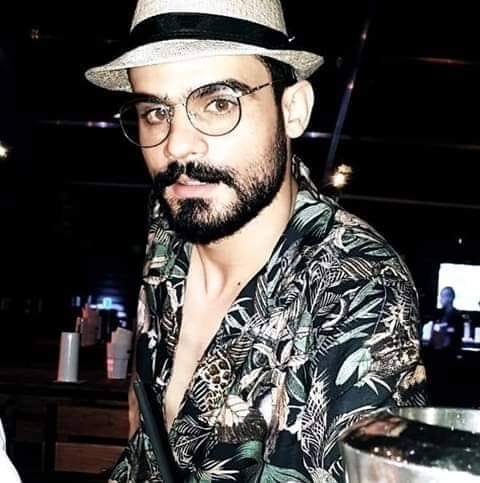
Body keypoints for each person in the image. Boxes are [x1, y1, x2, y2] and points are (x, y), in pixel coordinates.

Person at [85, 1, 427, 481]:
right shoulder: (173, 219)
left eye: (219, 103)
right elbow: (145, 436)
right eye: (156, 111)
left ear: (292, 110)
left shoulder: (358, 288)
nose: (176, 145)